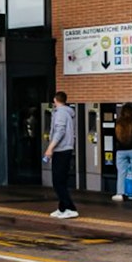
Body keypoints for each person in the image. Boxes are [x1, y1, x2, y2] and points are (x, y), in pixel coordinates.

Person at [44, 91, 77, 219]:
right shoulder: (67, 112)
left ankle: (70, 208)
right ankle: (62, 208)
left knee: (58, 181)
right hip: (65, 149)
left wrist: (50, 148)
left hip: (61, 150)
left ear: (55, 100)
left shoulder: (60, 113)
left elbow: (60, 131)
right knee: (61, 180)